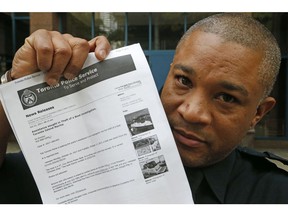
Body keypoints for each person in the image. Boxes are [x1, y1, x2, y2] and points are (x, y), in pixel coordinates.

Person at [1, 13, 288, 204]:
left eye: (226, 98)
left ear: (259, 113)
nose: (191, 112)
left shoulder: (273, 195)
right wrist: (12, 90)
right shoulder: (74, 161)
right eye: (184, 80)